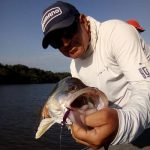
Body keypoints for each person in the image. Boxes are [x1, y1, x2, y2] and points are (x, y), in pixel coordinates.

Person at [41, 1, 150, 149]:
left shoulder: (116, 32)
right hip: (113, 122)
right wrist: (57, 111)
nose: (65, 43)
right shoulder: (74, 65)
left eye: (68, 32)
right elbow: (80, 106)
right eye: (56, 42)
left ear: (83, 21)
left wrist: (123, 124)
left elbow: (145, 87)